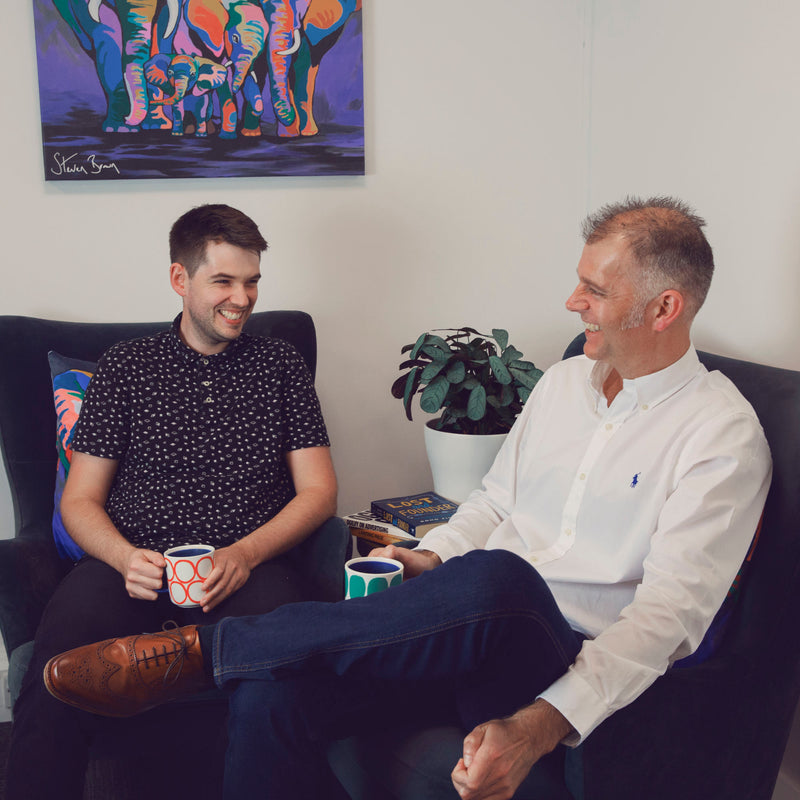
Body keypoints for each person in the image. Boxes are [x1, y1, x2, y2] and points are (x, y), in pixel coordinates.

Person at [42, 197, 771, 800]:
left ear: (664, 307)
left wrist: (542, 722)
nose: (571, 301)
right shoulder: (561, 385)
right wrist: (425, 562)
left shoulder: (720, 434)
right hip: (468, 627)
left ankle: (204, 649)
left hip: (558, 648)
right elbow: (491, 503)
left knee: (501, 577)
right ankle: (239, 658)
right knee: (272, 694)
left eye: (596, 290)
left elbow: (666, 621)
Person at [7, 204, 337, 800]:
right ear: (180, 280)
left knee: (279, 674)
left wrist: (244, 553)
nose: (243, 298)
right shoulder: (126, 368)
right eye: (224, 281)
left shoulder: (280, 366)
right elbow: (80, 501)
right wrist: (122, 556)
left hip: (250, 568)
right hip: (130, 568)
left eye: (253, 280)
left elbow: (319, 491)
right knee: (57, 670)